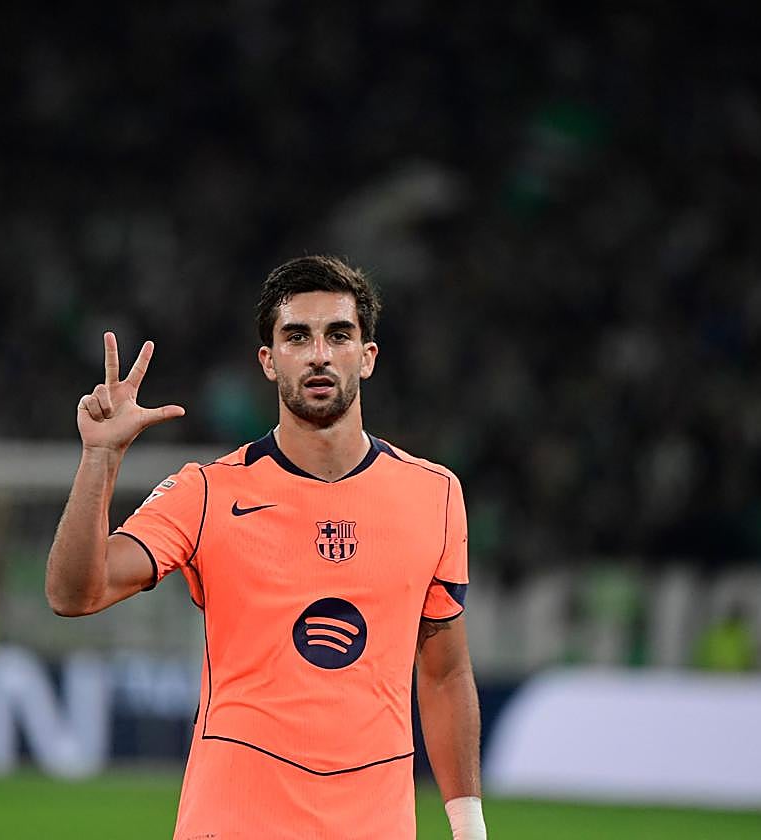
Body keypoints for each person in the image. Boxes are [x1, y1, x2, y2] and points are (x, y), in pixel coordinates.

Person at [46, 256, 485, 839]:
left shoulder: (434, 495)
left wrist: (469, 828)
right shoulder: (207, 492)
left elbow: (445, 672)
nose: (319, 354)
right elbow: (75, 592)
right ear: (269, 362)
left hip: (373, 824)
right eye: (296, 336)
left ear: (368, 357)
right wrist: (99, 459)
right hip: (233, 820)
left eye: (339, 334)